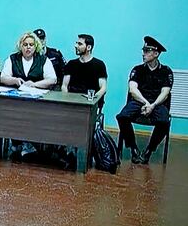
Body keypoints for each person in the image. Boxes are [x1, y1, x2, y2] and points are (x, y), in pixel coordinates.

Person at [116, 36, 173, 164]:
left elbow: (165, 93)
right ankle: (133, 149)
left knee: (164, 122)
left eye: (147, 50)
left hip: (158, 103)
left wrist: (152, 105)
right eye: (143, 50)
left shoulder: (166, 71)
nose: (143, 53)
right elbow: (133, 89)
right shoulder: (137, 70)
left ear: (156, 53)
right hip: (139, 101)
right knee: (122, 117)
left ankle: (149, 151)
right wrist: (146, 103)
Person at [0, 32, 57, 159]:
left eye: (31, 45)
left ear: (35, 46)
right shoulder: (12, 58)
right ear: (20, 46)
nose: (28, 47)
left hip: (36, 100)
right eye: (25, 45)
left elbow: (52, 79)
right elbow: (3, 77)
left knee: (31, 114)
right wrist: (15, 80)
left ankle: (29, 143)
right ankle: (17, 142)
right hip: (15, 98)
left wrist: (35, 84)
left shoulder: (43, 59)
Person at [62, 34, 107, 108]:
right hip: (73, 102)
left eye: (80, 44)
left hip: (91, 104)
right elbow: (64, 86)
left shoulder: (99, 65)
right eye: (76, 43)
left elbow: (103, 88)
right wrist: (66, 101)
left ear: (88, 47)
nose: (76, 46)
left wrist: (93, 99)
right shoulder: (71, 64)